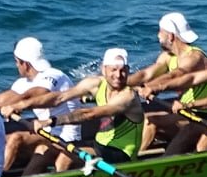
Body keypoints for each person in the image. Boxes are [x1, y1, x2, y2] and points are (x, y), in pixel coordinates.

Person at [16, 46, 145, 164]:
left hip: (121, 153)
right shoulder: (96, 84)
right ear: (104, 69)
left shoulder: (128, 96)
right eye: (114, 70)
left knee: (66, 156)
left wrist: (50, 121)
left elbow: (90, 114)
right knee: (44, 149)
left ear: (128, 71)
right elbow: (60, 97)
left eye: (123, 71)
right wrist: (20, 105)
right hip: (99, 145)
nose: (118, 75)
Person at [127, 11, 207, 154]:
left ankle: (133, 163)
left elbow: (177, 74)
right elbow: (146, 74)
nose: (157, 36)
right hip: (184, 113)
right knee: (145, 119)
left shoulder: (195, 57)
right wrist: (119, 83)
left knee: (151, 121)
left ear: (170, 36)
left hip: (204, 116)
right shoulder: (168, 57)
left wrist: (152, 87)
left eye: (160, 32)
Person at [0, 36, 78, 175]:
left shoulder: (54, 75)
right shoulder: (22, 83)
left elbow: (37, 94)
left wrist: (18, 106)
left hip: (68, 137)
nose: (16, 66)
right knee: (0, 138)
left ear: (25, 64)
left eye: (17, 62)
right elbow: (0, 99)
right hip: (46, 133)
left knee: (16, 138)